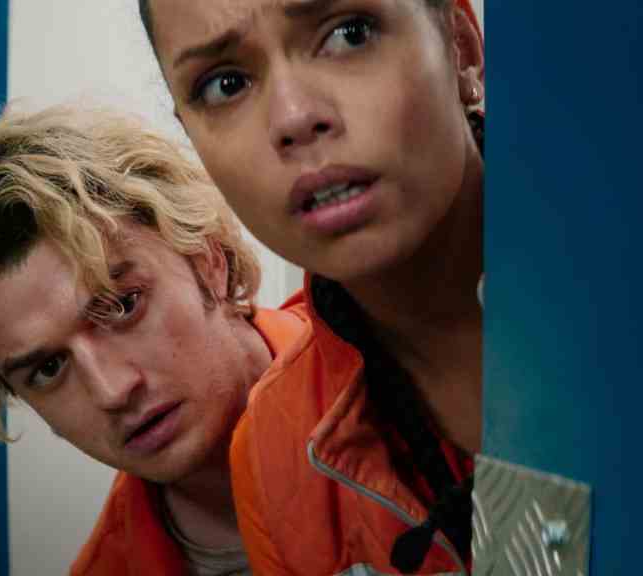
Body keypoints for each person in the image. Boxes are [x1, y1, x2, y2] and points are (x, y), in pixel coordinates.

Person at [0, 105, 311, 575]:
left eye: (123, 306)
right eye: (48, 369)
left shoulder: (393, 360)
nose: (112, 390)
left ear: (207, 259)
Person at [137, 0, 485, 573]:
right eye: (225, 84)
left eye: (349, 33)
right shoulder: (274, 458)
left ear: (462, 47)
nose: (295, 117)